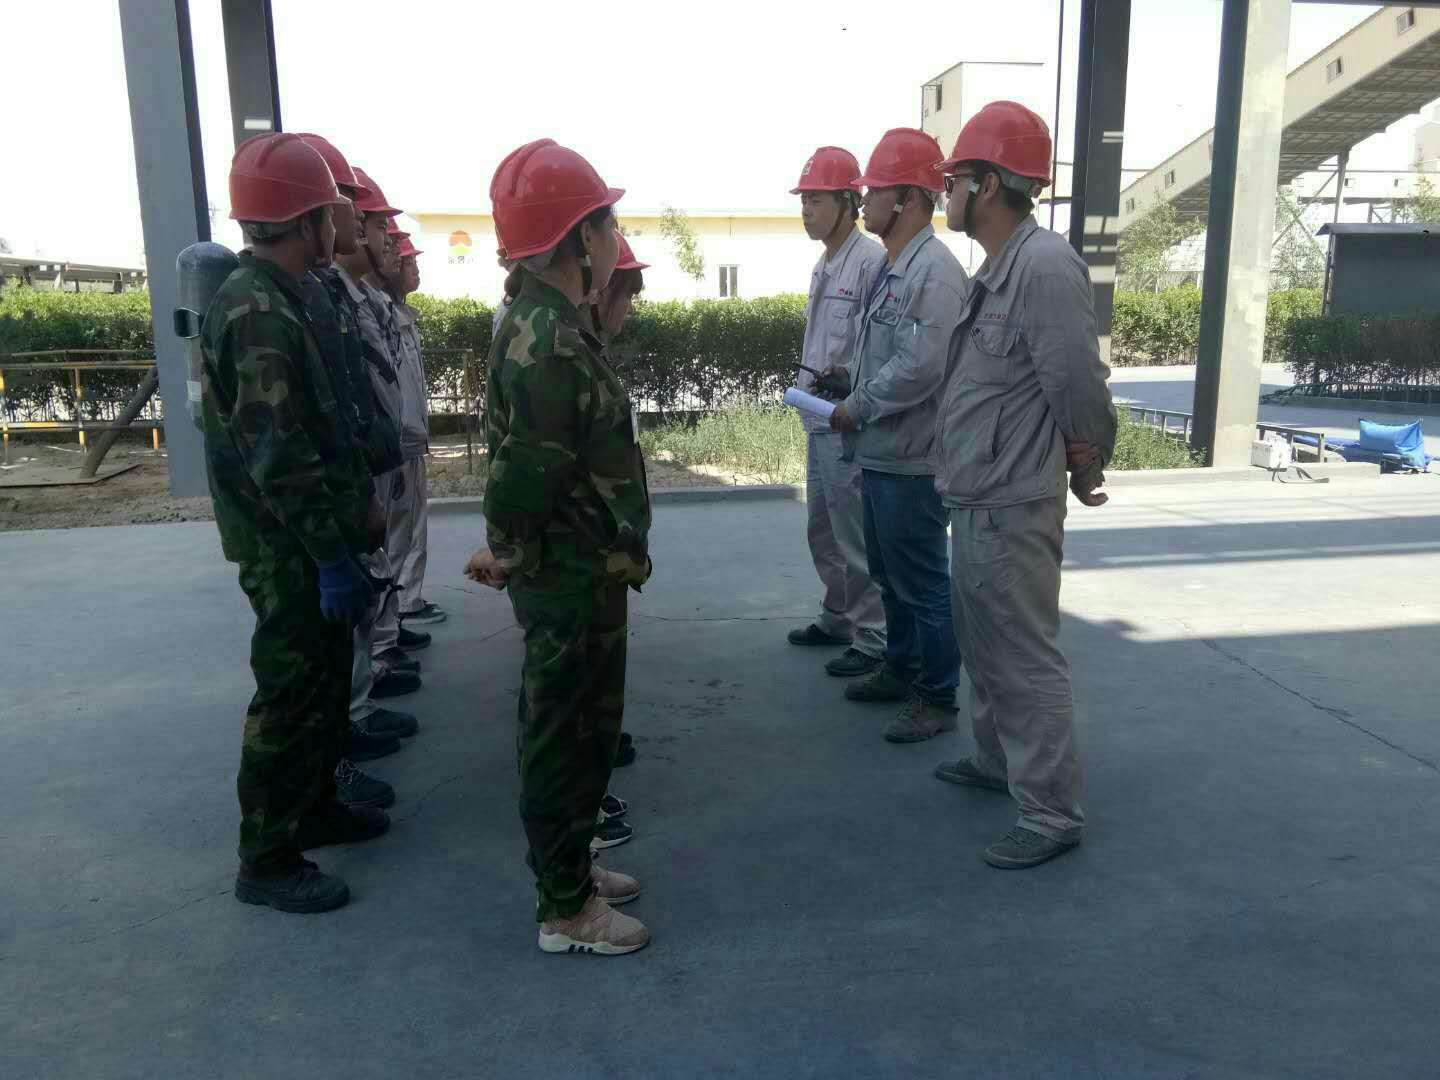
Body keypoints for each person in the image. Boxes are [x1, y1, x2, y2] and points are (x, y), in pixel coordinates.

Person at [464, 138, 651, 956]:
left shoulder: (551, 323)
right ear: (580, 239)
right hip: (568, 576)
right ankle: (565, 909)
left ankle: (572, 868)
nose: (615, 240)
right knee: (563, 733)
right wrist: (507, 548)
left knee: (586, 732)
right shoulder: (547, 339)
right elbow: (524, 474)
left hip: (585, 570)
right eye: (606, 224)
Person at [200, 133, 389, 914]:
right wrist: (328, 554)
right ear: (305, 220)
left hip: (313, 534)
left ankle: (313, 809)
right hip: (287, 543)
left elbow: (325, 422)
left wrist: (353, 511)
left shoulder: (286, 295)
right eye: (327, 213)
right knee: (289, 692)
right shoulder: (256, 310)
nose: (336, 226)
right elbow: (279, 452)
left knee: (323, 682)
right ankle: (267, 859)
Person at [934, 101, 1117, 869]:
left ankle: (1049, 812)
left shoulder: (1043, 265)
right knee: (984, 642)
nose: (946, 191)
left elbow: (1076, 380)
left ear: (988, 184)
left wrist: (1088, 459)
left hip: (1013, 498)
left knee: (1022, 653)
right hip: (981, 492)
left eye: (955, 179)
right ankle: (997, 759)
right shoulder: (999, 266)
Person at [822, 128, 966, 744]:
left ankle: (937, 696)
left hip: (912, 459)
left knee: (923, 583)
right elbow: (885, 350)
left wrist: (858, 404)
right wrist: (847, 380)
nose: (864, 200)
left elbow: (922, 365)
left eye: (875, 190)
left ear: (907, 198)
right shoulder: (893, 267)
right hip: (882, 454)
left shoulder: (935, 271)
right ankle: (902, 668)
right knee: (890, 574)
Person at [296, 134, 416, 814]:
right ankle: (288, 829)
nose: (367, 227)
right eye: (345, 204)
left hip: (347, 488)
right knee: (299, 676)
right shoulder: (283, 301)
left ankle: (344, 739)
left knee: (334, 650)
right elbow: (290, 437)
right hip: (307, 516)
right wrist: (326, 540)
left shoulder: (323, 293)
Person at [784, 146, 888, 680]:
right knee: (821, 528)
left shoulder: (870, 262)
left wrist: (849, 382)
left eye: (817, 200)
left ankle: (873, 637)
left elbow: (876, 348)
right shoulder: (824, 263)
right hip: (817, 416)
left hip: (847, 422)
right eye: (804, 200)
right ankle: (839, 616)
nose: (806, 210)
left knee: (854, 535)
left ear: (849, 202)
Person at [335, 167, 424, 711]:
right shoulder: (335, 298)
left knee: (392, 549)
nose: (389, 242)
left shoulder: (364, 300)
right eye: (378, 227)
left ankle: (380, 656)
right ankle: (359, 699)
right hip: (364, 461)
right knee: (374, 559)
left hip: (390, 447)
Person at [380, 227, 445, 631]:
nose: (415, 269)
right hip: (398, 441)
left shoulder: (402, 315)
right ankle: (398, 609)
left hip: (410, 439)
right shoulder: (384, 315)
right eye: (409, 262)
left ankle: (406, 601)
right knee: (399, 528)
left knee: (412, 525)